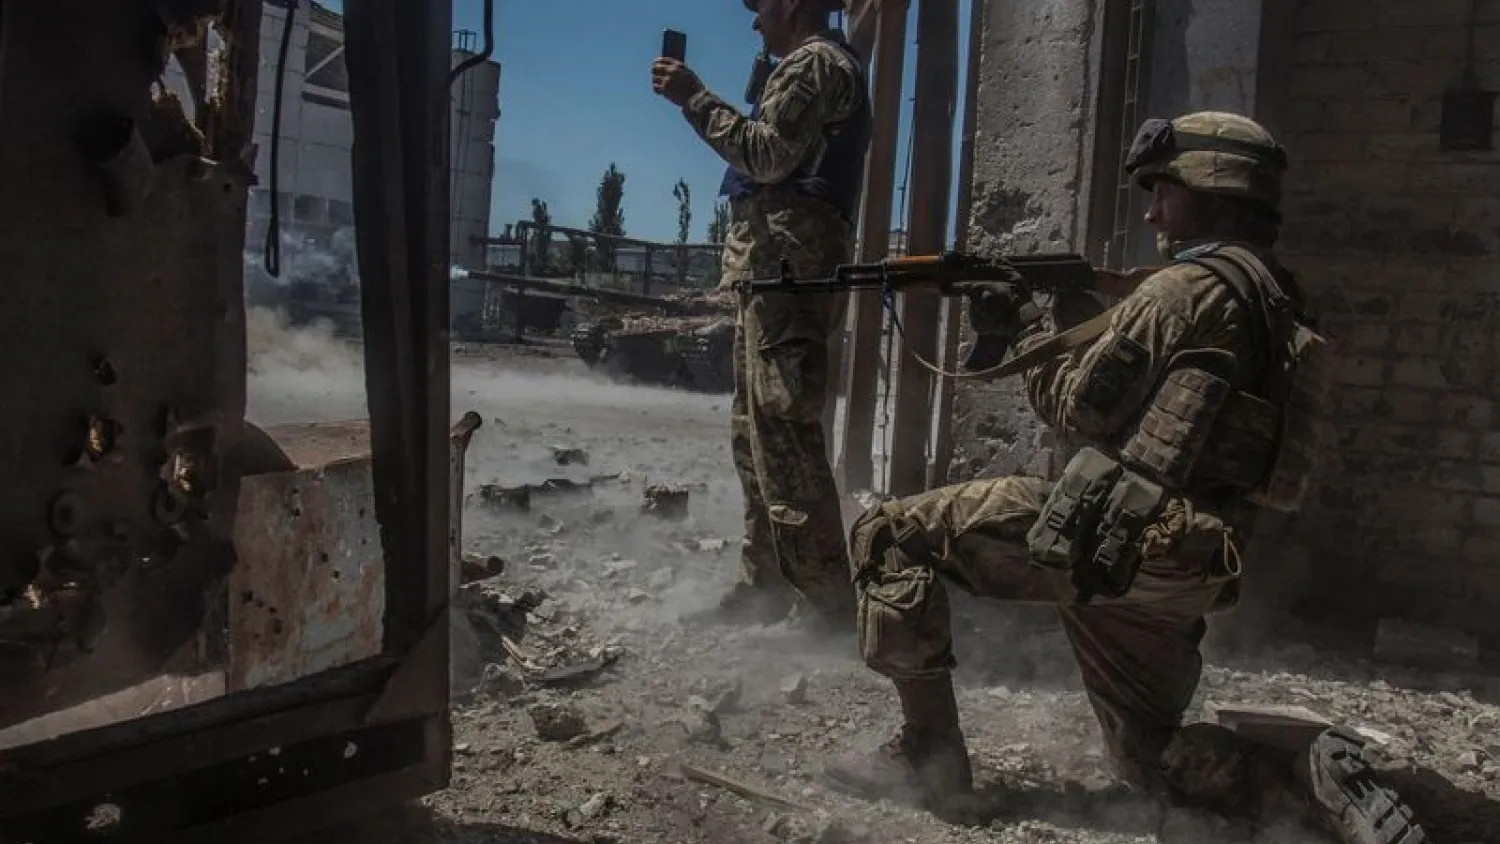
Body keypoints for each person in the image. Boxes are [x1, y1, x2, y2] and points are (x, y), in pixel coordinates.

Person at [820, 111, 1426, 844]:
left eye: (1162, 192)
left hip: (1114, 543)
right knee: (1149, 762)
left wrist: (1018, 329)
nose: (1150, 211)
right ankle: (1313, 779)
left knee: (889, 533)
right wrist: (1082, 311)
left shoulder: (1179, 293)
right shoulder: (1282, 299)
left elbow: (1079, 408)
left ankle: (927, 757)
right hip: (1197, 561)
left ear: (1211, 188)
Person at [651, 0, 871, 629]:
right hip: (772, 279)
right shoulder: (811, 63)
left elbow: (768, 155)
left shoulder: (815, 63)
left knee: (786, 441)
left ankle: (828, 604)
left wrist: (695, 97)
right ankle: (767, 585)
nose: (754, 22)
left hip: (789, 276)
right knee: (757, 442)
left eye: (761, 7)